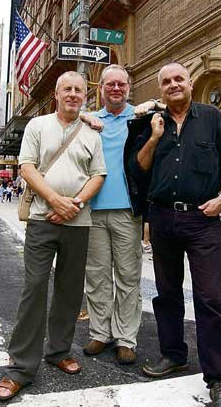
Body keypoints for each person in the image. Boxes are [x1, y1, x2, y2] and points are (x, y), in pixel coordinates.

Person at [128, 62, 221, 407]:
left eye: (179, 79)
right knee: (167, 293)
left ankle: (219, 378)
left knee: (209, 297)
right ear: (160, 90)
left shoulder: (212, 119)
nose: (173, 85)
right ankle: (173, 354)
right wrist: (155, 137)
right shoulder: (152, 123)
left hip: (202, 219)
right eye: (166, 82)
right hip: (162, 218)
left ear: (190, 83)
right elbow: (138, 167)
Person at [0, 71, 107, 401]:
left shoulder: (91, 133)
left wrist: (76, 203)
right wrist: (55, 201)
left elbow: (98, 175)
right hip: (43, 220)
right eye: (66, 89)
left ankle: (58, 352)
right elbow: (27, 167)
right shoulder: (38, 126)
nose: (72, 94)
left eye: (79, 90)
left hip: (78, 222)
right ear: (56, 94)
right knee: (34, 288)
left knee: (70, 292)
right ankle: (20, 368)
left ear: (85, 96)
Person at [83, 64, 143, 365]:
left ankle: (125, 338)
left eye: (121, 84)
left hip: (127, 211)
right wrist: (83, 115)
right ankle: (99, 332)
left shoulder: (140, 118)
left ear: (128, 87)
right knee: (96, 276)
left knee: (128, 277)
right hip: (92, 210)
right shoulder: (90, 121)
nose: (116, 88)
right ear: (101, 88)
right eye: (110, 84)